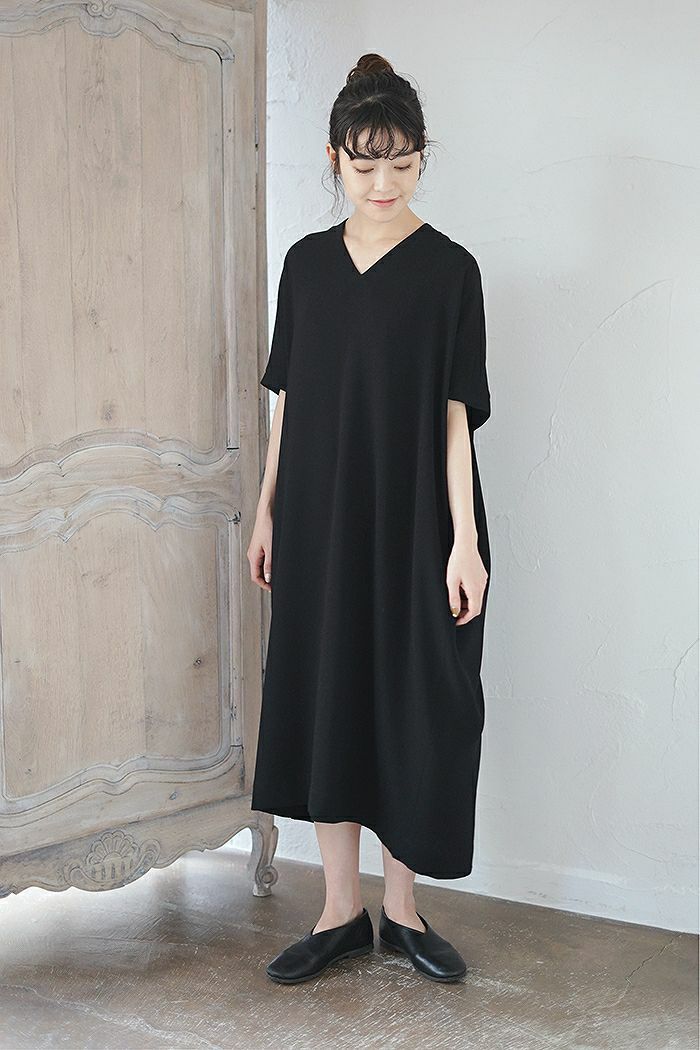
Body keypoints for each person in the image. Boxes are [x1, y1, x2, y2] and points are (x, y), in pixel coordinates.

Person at [247, 53, 492, 985]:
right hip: (319, 517)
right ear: (334, 160)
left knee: (417, 702)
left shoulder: (451, 272)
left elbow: (455, 416)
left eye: (402, 163)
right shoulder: (306, 266)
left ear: (423, 158)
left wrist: (464, 540)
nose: (383, 183)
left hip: (418, 521)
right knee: (329, 695)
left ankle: (404, 909)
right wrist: (267, 511)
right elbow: (289, 403)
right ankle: (340, 912)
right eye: (364, 164)